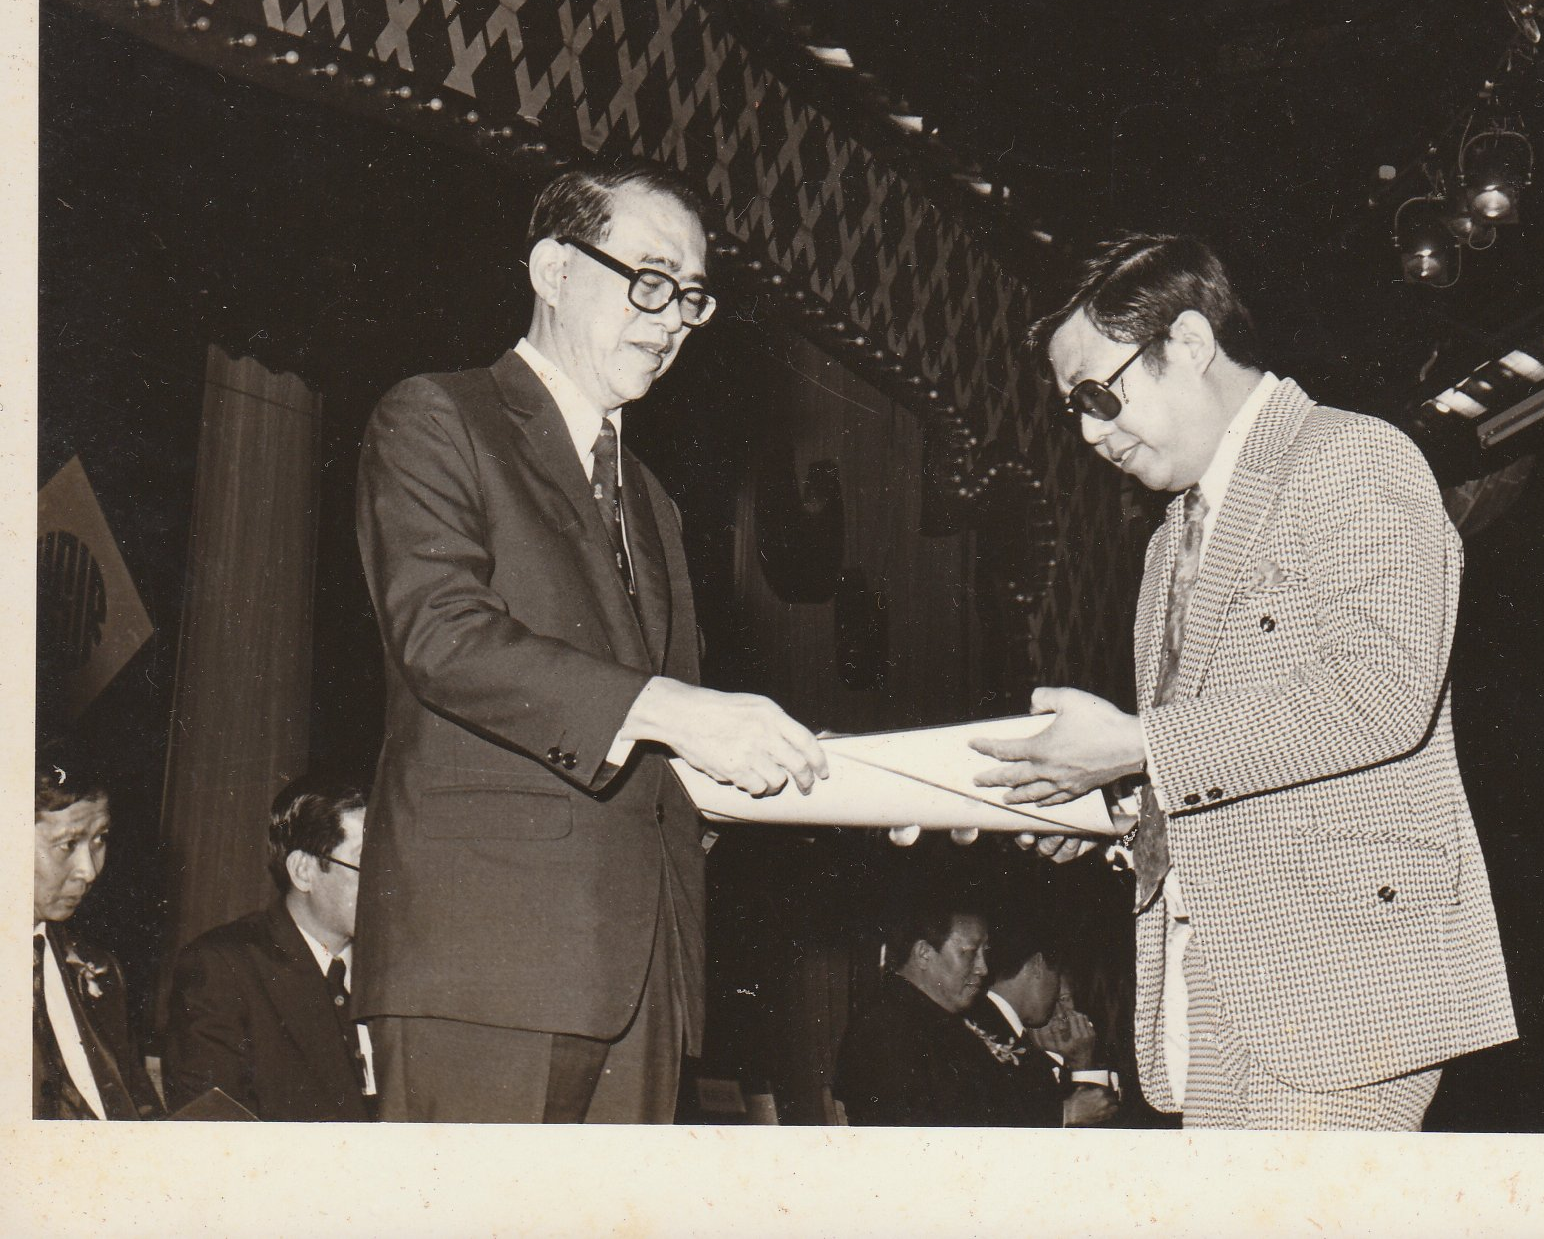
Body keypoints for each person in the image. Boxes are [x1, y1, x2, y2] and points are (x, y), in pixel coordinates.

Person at [974, 233, 1517, 1129]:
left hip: (1337, 992)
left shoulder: (1354, 457)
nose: (1089, 432)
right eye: (1074, 411)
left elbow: (1381, 692)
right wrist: (1107, 810)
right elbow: (1228, 766)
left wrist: (1137, 743)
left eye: (1098, 395)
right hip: (1211, 984)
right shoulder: (1169, 545)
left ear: (1189, 341)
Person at [354, 158, 828, 1123]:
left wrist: (831, 779)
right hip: (489, 964)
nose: (671, 318)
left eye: (691, 296)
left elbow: (667, 747)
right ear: (553, 270)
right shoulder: (437, 416)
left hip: (644, 975)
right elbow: (443, 634)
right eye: (649, 280)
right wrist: (674, 712)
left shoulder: (651, 498)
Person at [161, 777, 375, 1120]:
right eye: (367, 861)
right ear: (303, 871)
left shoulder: (392, 971)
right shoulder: (222, 968)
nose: (386, 882)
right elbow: (211, 1129)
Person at [32, 755, 159, 1120]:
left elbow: (138, 1104)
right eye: (68, 844)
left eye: (99, 839)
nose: (89, 871)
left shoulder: (100, 970)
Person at [831, 899, 1003, 1126]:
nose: (983, 968)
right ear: (924, 954)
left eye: (984, 953)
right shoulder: (886, 1029)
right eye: (970, 953)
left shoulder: (932, 1018)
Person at [962, 919, 1121, 1127]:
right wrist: (1064, 1114)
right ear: (1038, 965)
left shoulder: (997, 1027)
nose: (1056, 1001)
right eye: (1056, 977)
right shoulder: (981, 1035)